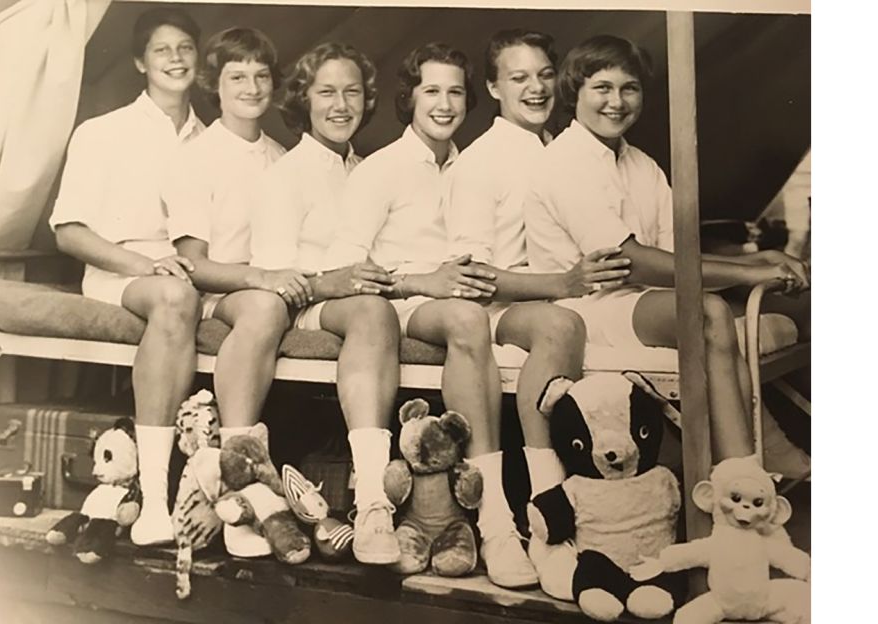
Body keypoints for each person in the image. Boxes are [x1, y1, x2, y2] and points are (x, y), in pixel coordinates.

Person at [523, 34, 811, 477]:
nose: (617, 101)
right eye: (602, 87)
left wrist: (762, 259)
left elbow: (677, 254)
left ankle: (764, 444)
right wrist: (751, 273)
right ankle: (741, 471)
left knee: (781, 301)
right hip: (587, 307)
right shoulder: (562, 162)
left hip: (640, 299)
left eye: (629, 88)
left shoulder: (640, 163)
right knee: (708, 309)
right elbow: (633, 261)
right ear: (573, 92)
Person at [323, 42, 536, 589]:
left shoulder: (474, 166)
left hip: (456, 300)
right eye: (431, 91)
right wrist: (421, 281)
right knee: (461, 315)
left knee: (468, 318)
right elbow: (344, 265)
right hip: (397, 299)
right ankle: (392, 508)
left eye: (456, 92)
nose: (445, 104)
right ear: (409, 98)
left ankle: (495, 523)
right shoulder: (381, 170)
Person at [446, 28, 633, 524]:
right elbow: (472, 275)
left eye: (545, 75)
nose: (536, 88)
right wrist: (563, 285)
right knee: (559, 325)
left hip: (571, 294)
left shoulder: (565, 146)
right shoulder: (480, 162)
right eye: (519, 78)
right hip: (501, 310)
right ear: (492, 88)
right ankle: (548, 493)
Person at [48, 8, 205, 547]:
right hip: (121, 270)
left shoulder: (209, 138)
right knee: (173, 295)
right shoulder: (103, 132)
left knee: (186, 293)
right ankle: (157, 501)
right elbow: (68, 232)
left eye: (185, 48)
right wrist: (144, 264)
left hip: (189, 273)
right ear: (140, 61)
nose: (176, 59)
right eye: (163, 50)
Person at [249, 42, 402, 565]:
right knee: (371, 310)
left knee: (378, 308)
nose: (342, 105)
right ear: (303, 100)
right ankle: (373, 500)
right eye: (327, 92)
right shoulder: (284, 177)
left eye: (352, 92)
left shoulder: (374, 169)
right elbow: (277, 281)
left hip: (369, 298)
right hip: (310, 306)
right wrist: (336, 282)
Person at [162, 26, 296, 558]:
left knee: (275, 302)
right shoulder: (196, 157)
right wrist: (260, 278)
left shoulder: (282, 156)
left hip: (278, 284)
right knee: (264, 305)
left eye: (262, 75)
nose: (252, 86)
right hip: (223, 290)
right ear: (213, 85)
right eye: (237, 76)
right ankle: (241, 472)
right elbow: (192, 264)